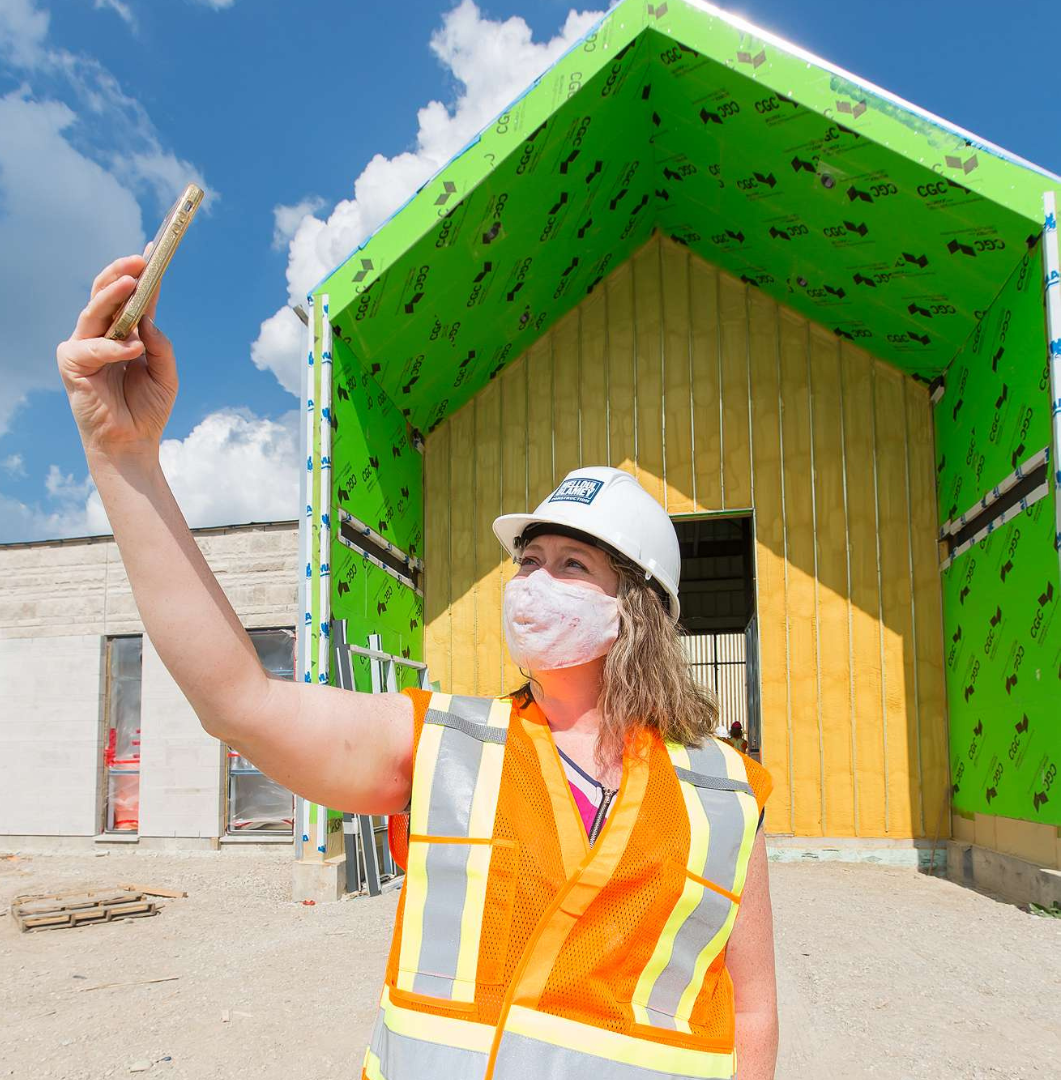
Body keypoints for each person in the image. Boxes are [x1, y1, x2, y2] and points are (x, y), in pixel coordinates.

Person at [57, 254, 779, 1080]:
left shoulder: (723, 791)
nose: (533, 582)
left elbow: (750, 1009)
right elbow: (237, 700)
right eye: (528, 560)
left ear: (636, 608)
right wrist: (124, 458)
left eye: (572, 565)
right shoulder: (447, 745)